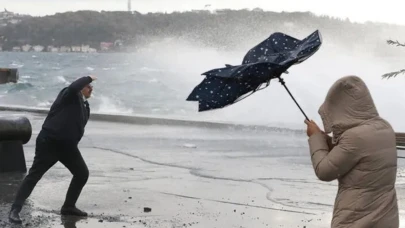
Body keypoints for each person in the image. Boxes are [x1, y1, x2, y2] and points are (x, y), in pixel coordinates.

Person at [304, 75, 399, 228]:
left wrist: (315, 137)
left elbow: (324, 171)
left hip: (357, 218)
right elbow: (354, 155)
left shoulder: (355, 137)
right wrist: (323, 138)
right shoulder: (384, 127)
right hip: (385, 217)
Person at [9, 75, 97, 224]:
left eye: (91, 86)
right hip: (49, 143)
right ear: (81, 86)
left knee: (82, 173)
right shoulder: (68, 94)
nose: (91, 88)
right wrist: (88, 77)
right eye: (88, 86)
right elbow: (73, 87)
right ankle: (15, 210)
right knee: (34, 176)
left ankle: (68, 206)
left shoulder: (84, 105)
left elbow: (78, 126)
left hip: (68, 147)